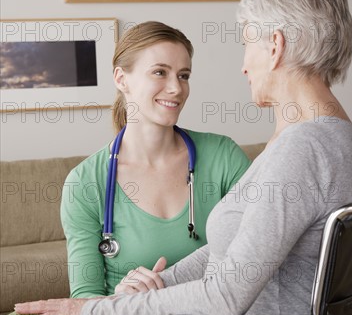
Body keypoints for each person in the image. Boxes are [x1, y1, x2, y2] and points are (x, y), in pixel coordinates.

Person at [1, 0, 352, 315]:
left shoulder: (303, 148)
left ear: (276, 45)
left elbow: (226, 294)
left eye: (247, 42)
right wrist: (156, 287)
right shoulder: (333, 136)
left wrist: (88, 311)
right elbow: (226, 255)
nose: (244, 64)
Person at [61, 21, 251, 297]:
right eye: (160, 72)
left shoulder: (224, 156)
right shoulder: (85, 182)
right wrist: (122, 296)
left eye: (184, 75)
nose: (176, 88)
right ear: (121, 78)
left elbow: (254, 254)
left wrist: (170, 285)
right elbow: (85, 298)